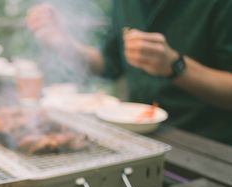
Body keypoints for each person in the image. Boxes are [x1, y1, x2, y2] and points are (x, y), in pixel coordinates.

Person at [27, 1, 232, 144]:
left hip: (208, 147)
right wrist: (64, 43)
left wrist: (176, 66)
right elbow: (108, 64)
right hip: (138, 139)